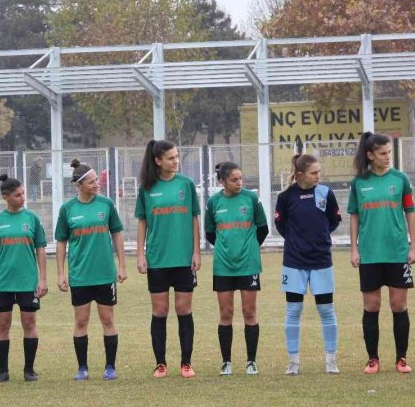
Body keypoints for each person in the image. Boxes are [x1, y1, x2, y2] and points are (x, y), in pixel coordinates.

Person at [349, 132, 415, 374]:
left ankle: (401, 359)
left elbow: (410, 212)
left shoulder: (401, 180)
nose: (387, 157)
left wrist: (414, 246)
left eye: (389, 152)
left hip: (397, 253)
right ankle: (373, 359)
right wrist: (354, 249)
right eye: (382, 153)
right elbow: (354, 216)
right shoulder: (359, 183)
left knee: (398, 306)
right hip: (369, 254)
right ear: (370, 155)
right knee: (372, 306)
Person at [135, 140, 201, 378]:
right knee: (160, 310)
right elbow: (142, 222)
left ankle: (186, 363)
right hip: (157, 259)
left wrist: (196, 251)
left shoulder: (187, 184)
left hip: (183, 259)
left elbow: (194, 218)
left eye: (177, 156)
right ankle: (160, 363)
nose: (176, 160)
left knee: (184, 309)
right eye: (171, 157)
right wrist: (141, 254)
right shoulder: (147, 188)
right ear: (158, 161)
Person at [56, 159, 126, 381]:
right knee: (81, 321)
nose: (97, 185)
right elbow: (61, 242)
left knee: (108, 320)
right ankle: (82, 368)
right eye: (92, 182)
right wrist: (60, 272)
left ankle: (110, 367)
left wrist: (122, 265)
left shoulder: (106, 205)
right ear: (79, 185)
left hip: (105, 274)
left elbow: (117, 234)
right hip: (80, 275)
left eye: (97, 181)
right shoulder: (67, 209)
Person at [274, 153, 342, 375]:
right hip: (294, 262)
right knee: (293, 310)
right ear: (301, 175)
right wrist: (298, 241)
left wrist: (318, 238)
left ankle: (331, 361)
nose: (318, 176)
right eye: (314, 173)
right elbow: (281, 225)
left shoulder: (326, 193)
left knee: (326, 309)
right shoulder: (286, 196)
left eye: (319, 172)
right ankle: (293, 362)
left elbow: (333, 221)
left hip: (321, 260)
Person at [204, 161, 268, 376]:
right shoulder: (214, 203)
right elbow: (210, 233)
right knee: (226, 313)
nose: (239, 183)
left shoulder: (251, 198)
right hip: (223, 266)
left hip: (249, 264)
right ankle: (226, 362)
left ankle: (251, 361)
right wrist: (226, 248)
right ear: (222, 181)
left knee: (249, 312)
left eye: (241, 179)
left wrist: (249, 247)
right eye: (234, 180)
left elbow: (263, 228)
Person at [0, 174, 48, 382]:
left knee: (29, 323)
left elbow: (40, 249)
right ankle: (3, 371)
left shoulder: (32, 219)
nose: (23, 197)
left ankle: (29, 370)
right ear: (6, 197)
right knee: (2, 325)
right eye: (18, 195)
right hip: (2, 282)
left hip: (27, 282)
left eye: (23, 193)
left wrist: (42, 279)